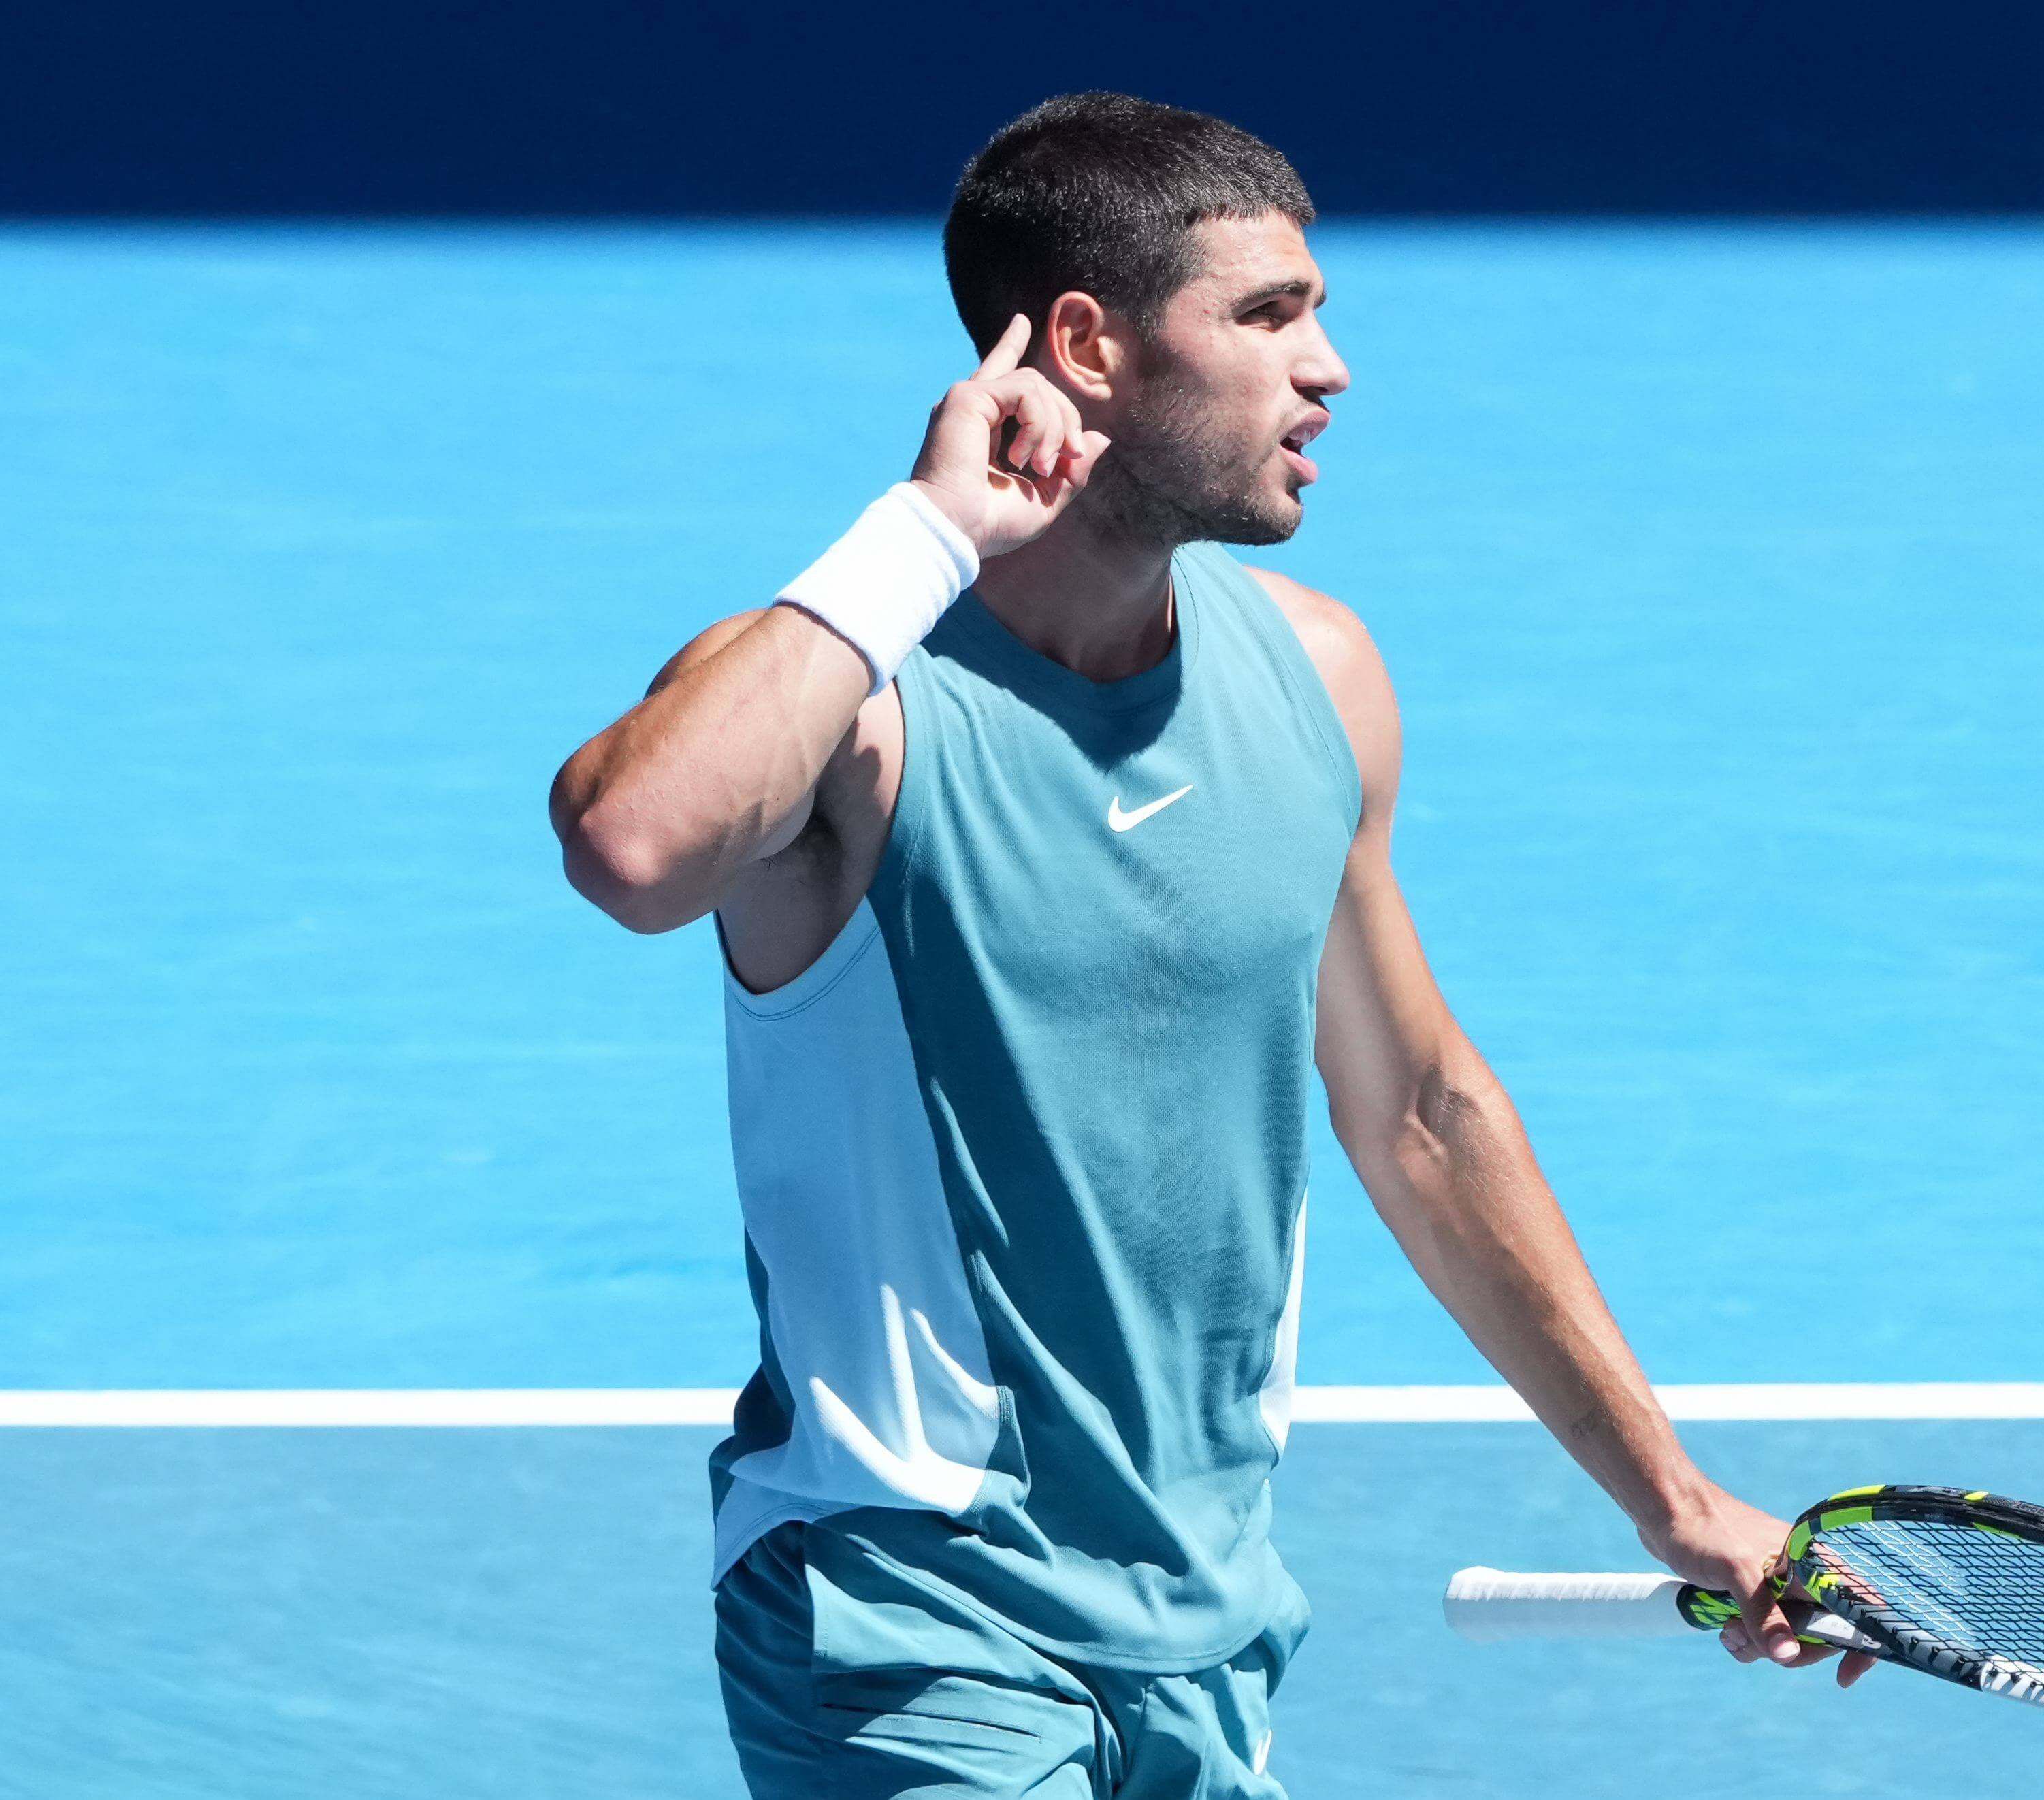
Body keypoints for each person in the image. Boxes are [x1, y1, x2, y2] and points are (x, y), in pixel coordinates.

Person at [549, 90, 1870, 1799]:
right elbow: (634, 848)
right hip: (911, 1614)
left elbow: (1422, 1116)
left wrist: (1674, 1498)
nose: (1328, 370)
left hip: (1211, 1627)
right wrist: (924, 535)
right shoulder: (858, 709)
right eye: (1266, 316)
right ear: (1086, 347)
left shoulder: (1318, 677)